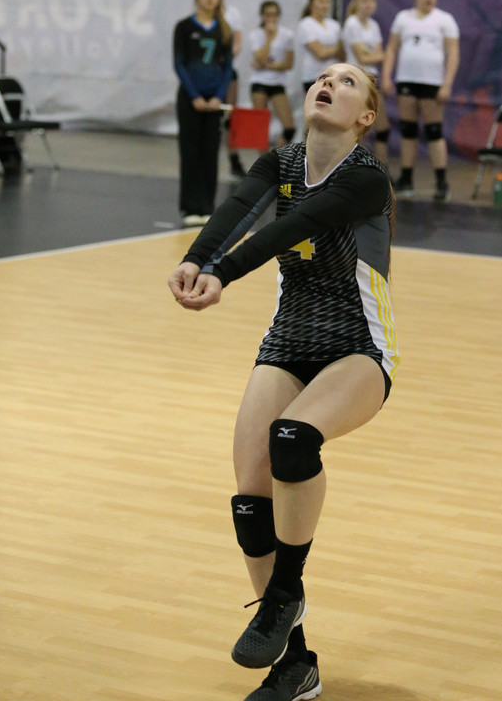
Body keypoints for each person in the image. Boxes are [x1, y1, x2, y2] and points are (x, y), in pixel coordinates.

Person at [168, 63, 398, 701]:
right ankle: (295, 666)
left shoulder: (366, 178)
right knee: (250, 499)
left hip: (358, 347)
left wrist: (223, 273)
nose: (328, 83)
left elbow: (288, 229)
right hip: (288, 342)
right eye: (323, 76)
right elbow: (238, 211)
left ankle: (285, 590)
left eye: (347, 82)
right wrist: (195, 259)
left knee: (293, 438)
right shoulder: (280, 162)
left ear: (365, 116)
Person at [381, 0, 460, 201]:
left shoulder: (444, 20)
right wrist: (386, 76)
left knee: (434, 131)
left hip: (432, 82)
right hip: (407, 79)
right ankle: (406, 179)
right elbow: (392, 48)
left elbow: (453, 53)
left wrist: (447, 84)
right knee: (408, 130)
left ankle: (441, 181)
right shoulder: (403, 18)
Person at [173, 0, 234, 227]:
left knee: (210, 153)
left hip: (214, 101)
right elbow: (179, 63)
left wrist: (218, 96)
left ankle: (207, 206)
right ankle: (189, 207)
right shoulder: (184, 27)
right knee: (190, 153)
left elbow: (227, 67)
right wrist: (194, 96)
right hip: (191, 100)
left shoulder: (225, 30)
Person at [341, 0, 390, 167]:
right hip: (356, 81)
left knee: (382, 128)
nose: (369, 4)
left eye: (372, 1)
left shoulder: (373, 26)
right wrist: (378, 55)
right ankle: (351, 169)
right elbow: (364, 58)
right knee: (357, 128)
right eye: (365, 1)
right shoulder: (352, 23)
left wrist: (374, 55)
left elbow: (375, 56)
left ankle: (381, 169)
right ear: (357, 3)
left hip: (371, 81)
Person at [248, 0, 296, 147]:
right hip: (259, 81)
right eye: (268, 15)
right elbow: (261, 59)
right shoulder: (255, 35)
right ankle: (262, 158)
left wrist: (268, 65)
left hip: (277, 82)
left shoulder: (287, 34)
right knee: (260, 126)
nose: (271, 18)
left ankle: (275, 155)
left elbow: (289, 64)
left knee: (289, 127)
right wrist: (268, 38)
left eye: (274, 14)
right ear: (262, 16)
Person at [213, 0, 248, 179]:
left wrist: (226, 58)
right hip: (210, 71)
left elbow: (237, 42)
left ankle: (234, 159)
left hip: (226, 69)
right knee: (212, 115)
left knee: (230, 115)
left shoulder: (233, 14)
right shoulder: (207, 12)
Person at [297, 0, 344, 95]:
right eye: (321, 1)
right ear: (312, 3)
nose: (325, 5)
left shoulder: (334, 25)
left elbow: (342, 53)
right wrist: (335, 49)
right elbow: (320, 53)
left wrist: (329, 50)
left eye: (327, 2)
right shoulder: (306, 24)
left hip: (334, 77)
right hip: (314, 77)